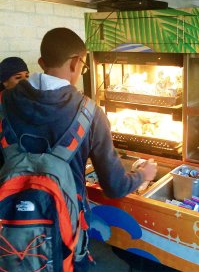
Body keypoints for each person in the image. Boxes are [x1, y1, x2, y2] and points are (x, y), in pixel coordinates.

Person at [0, 27, 157, 270]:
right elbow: (114, 187)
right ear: (76, 63)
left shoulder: (3, 103)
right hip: (66, 237)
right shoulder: (89, 113)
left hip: (9, 235)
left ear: (41, 62)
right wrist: (142, 175)